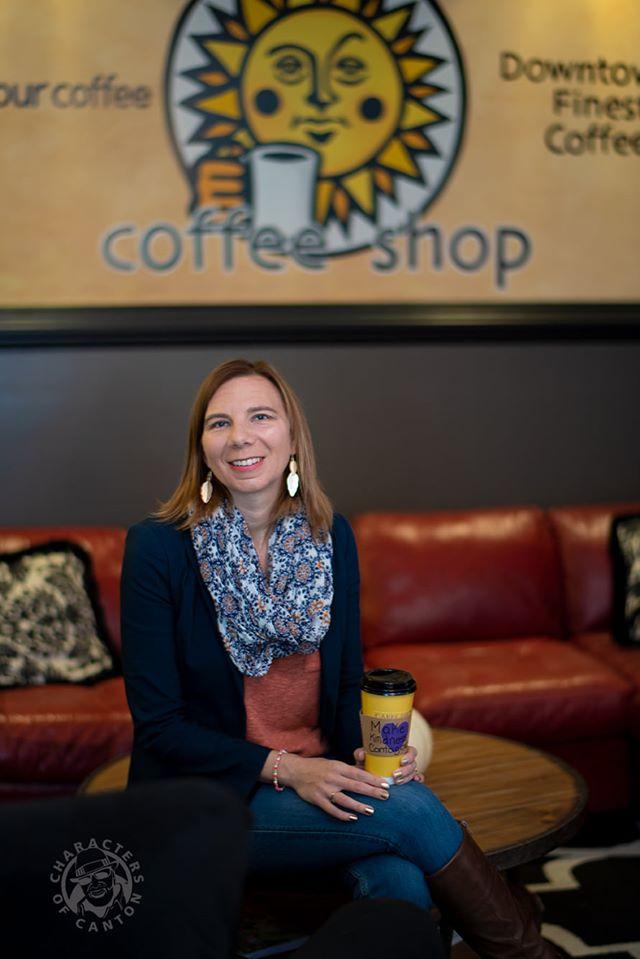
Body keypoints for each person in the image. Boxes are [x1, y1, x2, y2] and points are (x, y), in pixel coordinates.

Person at [121, 358, 557, 959]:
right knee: (411, 815)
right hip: (206, 800)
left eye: (260, 417)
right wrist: (290, 769)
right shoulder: (157, 548)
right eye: (220, 423)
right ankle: (530, 955)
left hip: (317, 775)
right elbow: (160, 727)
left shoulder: (331, 537)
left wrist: (372, 757)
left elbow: (348, 681)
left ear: (292, 437)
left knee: (400, 881)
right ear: (202, 447)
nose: (240, 436)